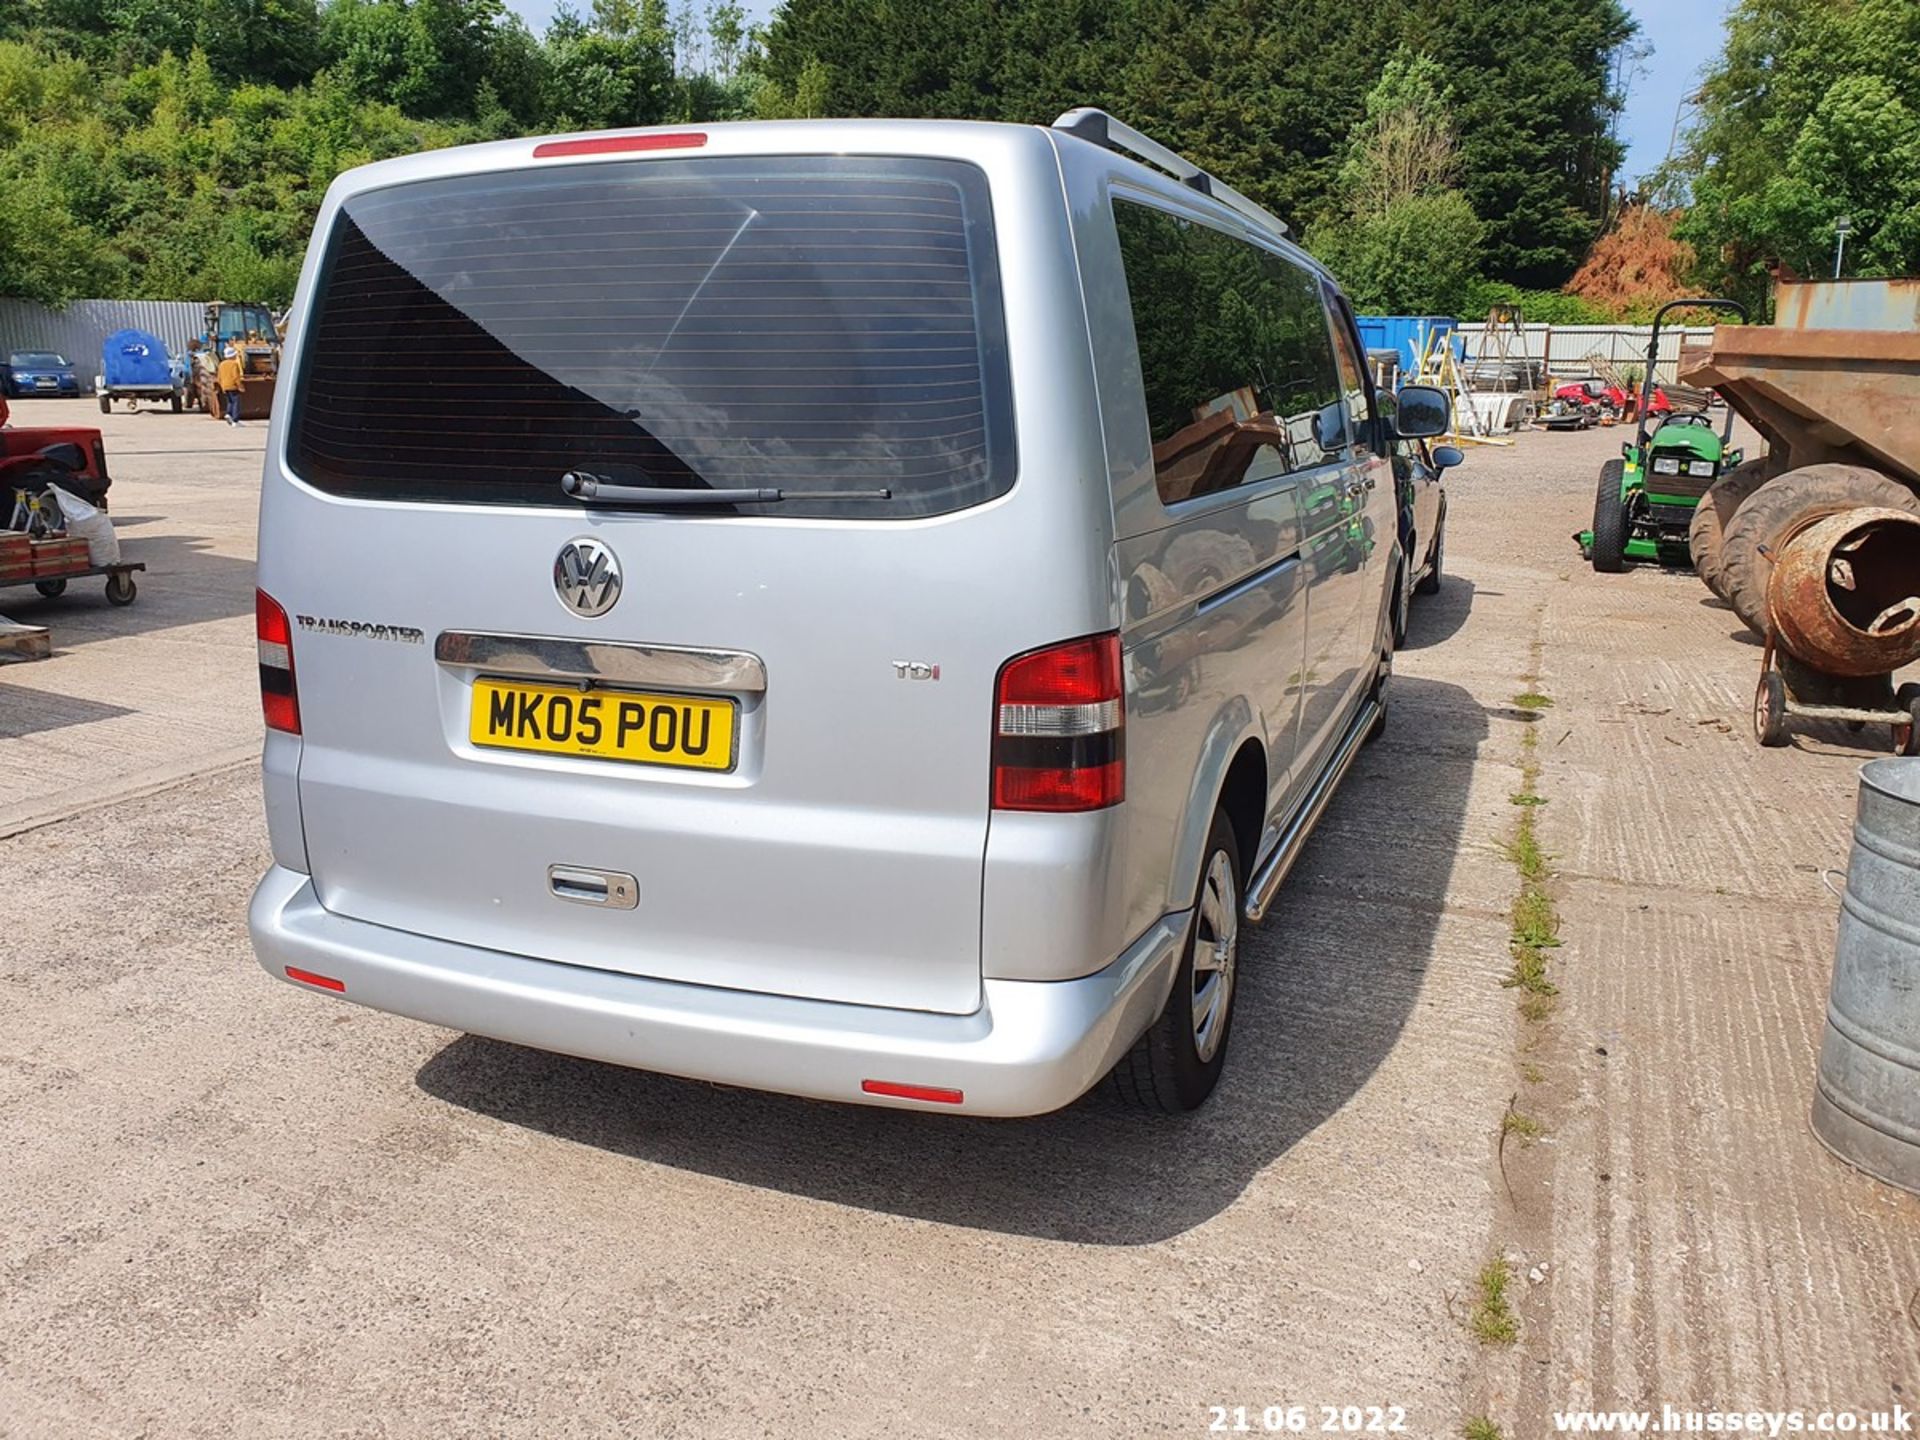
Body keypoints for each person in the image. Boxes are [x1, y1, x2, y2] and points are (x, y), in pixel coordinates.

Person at [216, 343, 245, 426]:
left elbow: (219, 377)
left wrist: (222, 387)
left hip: (225, 386)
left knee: (230, 402)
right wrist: (240, 386)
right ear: (232, 356)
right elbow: (236, 377)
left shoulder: (221, 364)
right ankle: (235, 420)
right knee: (236, 402)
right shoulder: (234, 364)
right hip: (233, 386)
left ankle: (228, 414)